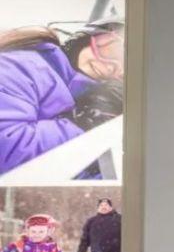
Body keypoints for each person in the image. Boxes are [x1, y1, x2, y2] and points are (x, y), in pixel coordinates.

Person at [0, 22, 125, 176]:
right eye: (112, 51)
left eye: (125, 70)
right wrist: (84, 124)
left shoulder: (93, 100)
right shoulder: (21, 66)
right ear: (89, 36)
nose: (111, 67)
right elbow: (7, 151)